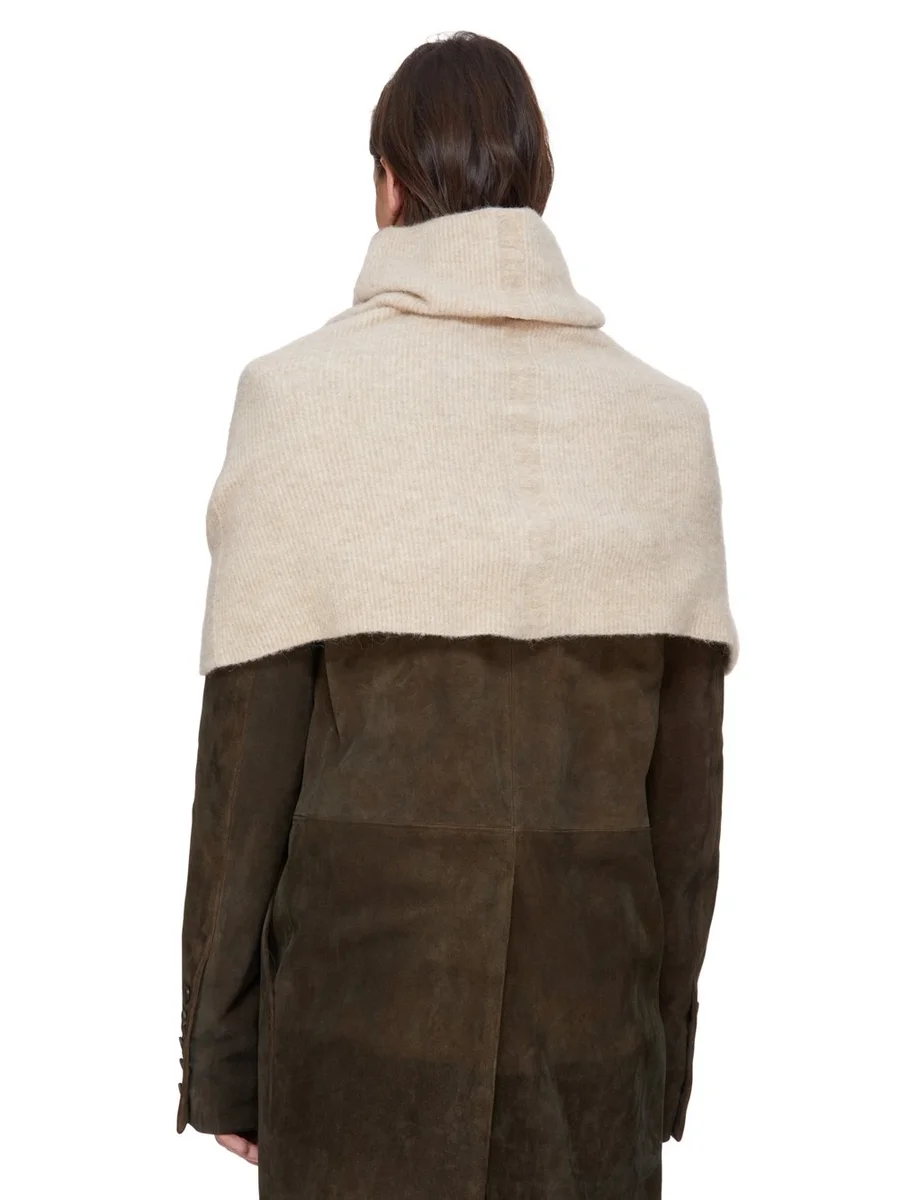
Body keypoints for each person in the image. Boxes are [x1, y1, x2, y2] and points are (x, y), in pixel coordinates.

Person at [176, 29, 738, 1200]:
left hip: (353, 1048)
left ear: (388, 184)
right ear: (542, 180)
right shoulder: (663, 425)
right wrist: (661, 1063)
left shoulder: (298, 402)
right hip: (590, 1057)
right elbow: (686, 809)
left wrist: (225, 1063)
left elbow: (246, 772)